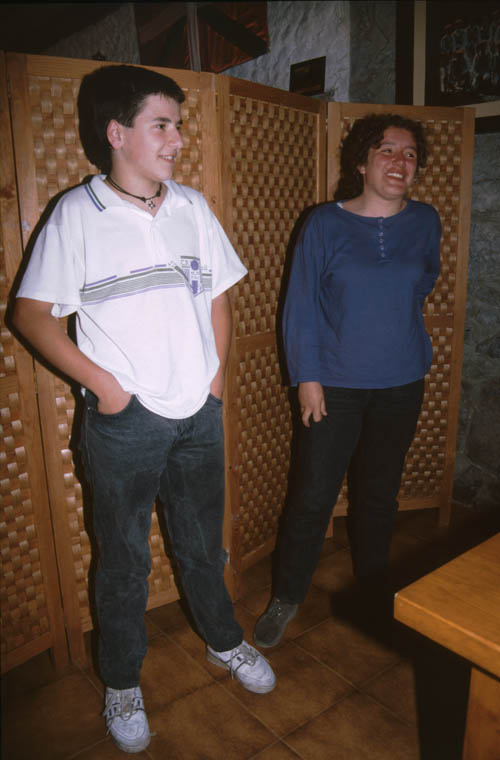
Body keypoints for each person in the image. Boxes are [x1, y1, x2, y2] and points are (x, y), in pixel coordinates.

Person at [13, 64, 275, 755]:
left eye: (177, 126)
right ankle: (123, 682)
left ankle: (223, 639)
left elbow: (218, 296)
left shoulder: (191, 206)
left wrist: (214, 381)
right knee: (124, 561)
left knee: (202, 544)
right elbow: (32, 315)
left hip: (198, 414)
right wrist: (106, 388)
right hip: (124, 425)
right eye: (162, 125)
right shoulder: (77, 214)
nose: (178, 140)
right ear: (117, 132)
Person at [254, 113, 441, 648]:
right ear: (362, 162)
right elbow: (300, 305)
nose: (400, 162)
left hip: (402, 379)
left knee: (379, 495)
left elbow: (425, 279)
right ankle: (287, 595)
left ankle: (374, 589)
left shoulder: (425, 220)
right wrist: (307, 377)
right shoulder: (323, 223)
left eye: (409, 154)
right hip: (333, 384)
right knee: (313, 495)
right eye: (387, 150)